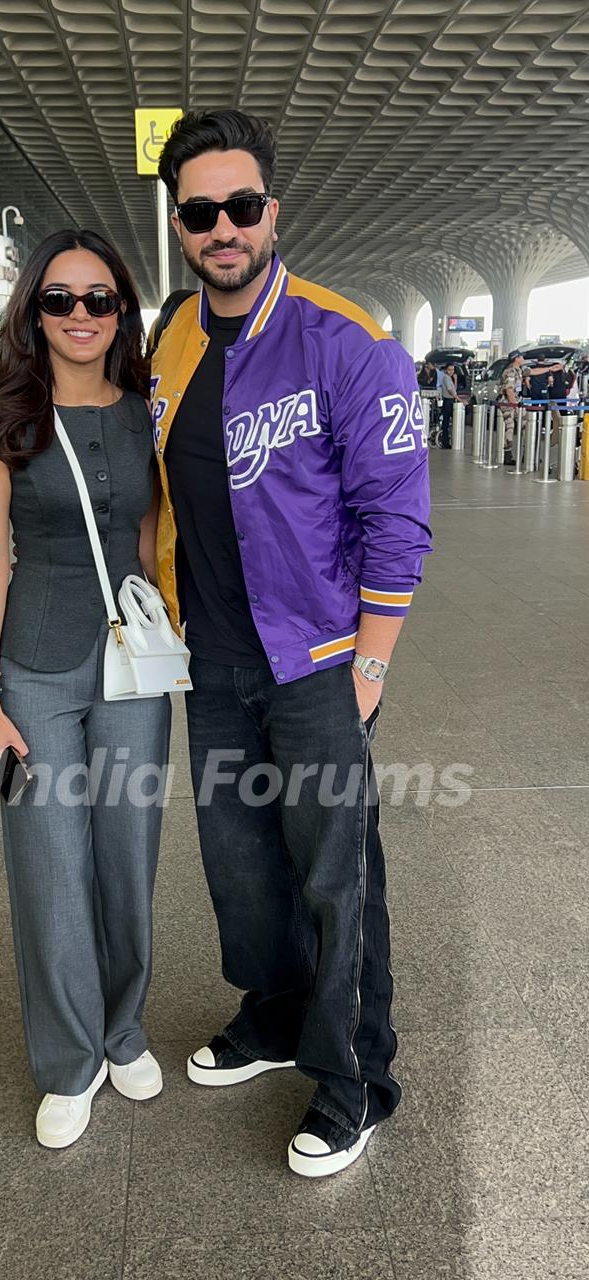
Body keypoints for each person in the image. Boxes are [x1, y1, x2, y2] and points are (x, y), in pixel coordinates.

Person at [153, 109, 431, 1178]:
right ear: (180, 222)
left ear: (273, 210)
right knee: (241, 862)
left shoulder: (344, 338)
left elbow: (396, 517)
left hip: (317, 660)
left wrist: (369, 664)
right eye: (200, 211)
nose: (223, 226)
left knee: (335, 871)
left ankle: (356, 1076)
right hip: (214, 658)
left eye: (241, 205)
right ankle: (272, 1016)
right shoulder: (173, 336)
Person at [0, 229, 170, 1150]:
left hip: (133, 675)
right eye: (60, 299)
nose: (80, 316)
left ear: (123, 309)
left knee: (127, 855)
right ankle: (69, 1059)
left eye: (98, 299)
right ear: (33, 312)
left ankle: (122, 1028)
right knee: (50, 867)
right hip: (35, 670)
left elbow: (152, 533)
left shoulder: (143, 414)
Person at [439, 363, 458, 448]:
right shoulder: (446, 378)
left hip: (451, 401)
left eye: (453, 370)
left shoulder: (450, 378)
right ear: (446, 370)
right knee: (446, 423)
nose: (451, 371)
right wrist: (459, 399)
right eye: (449, 370)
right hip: (448, 402)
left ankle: (449, 442)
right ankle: (445, 443)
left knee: (450, 422)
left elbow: (454, 390)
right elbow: (450, 391)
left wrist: (455, 380)